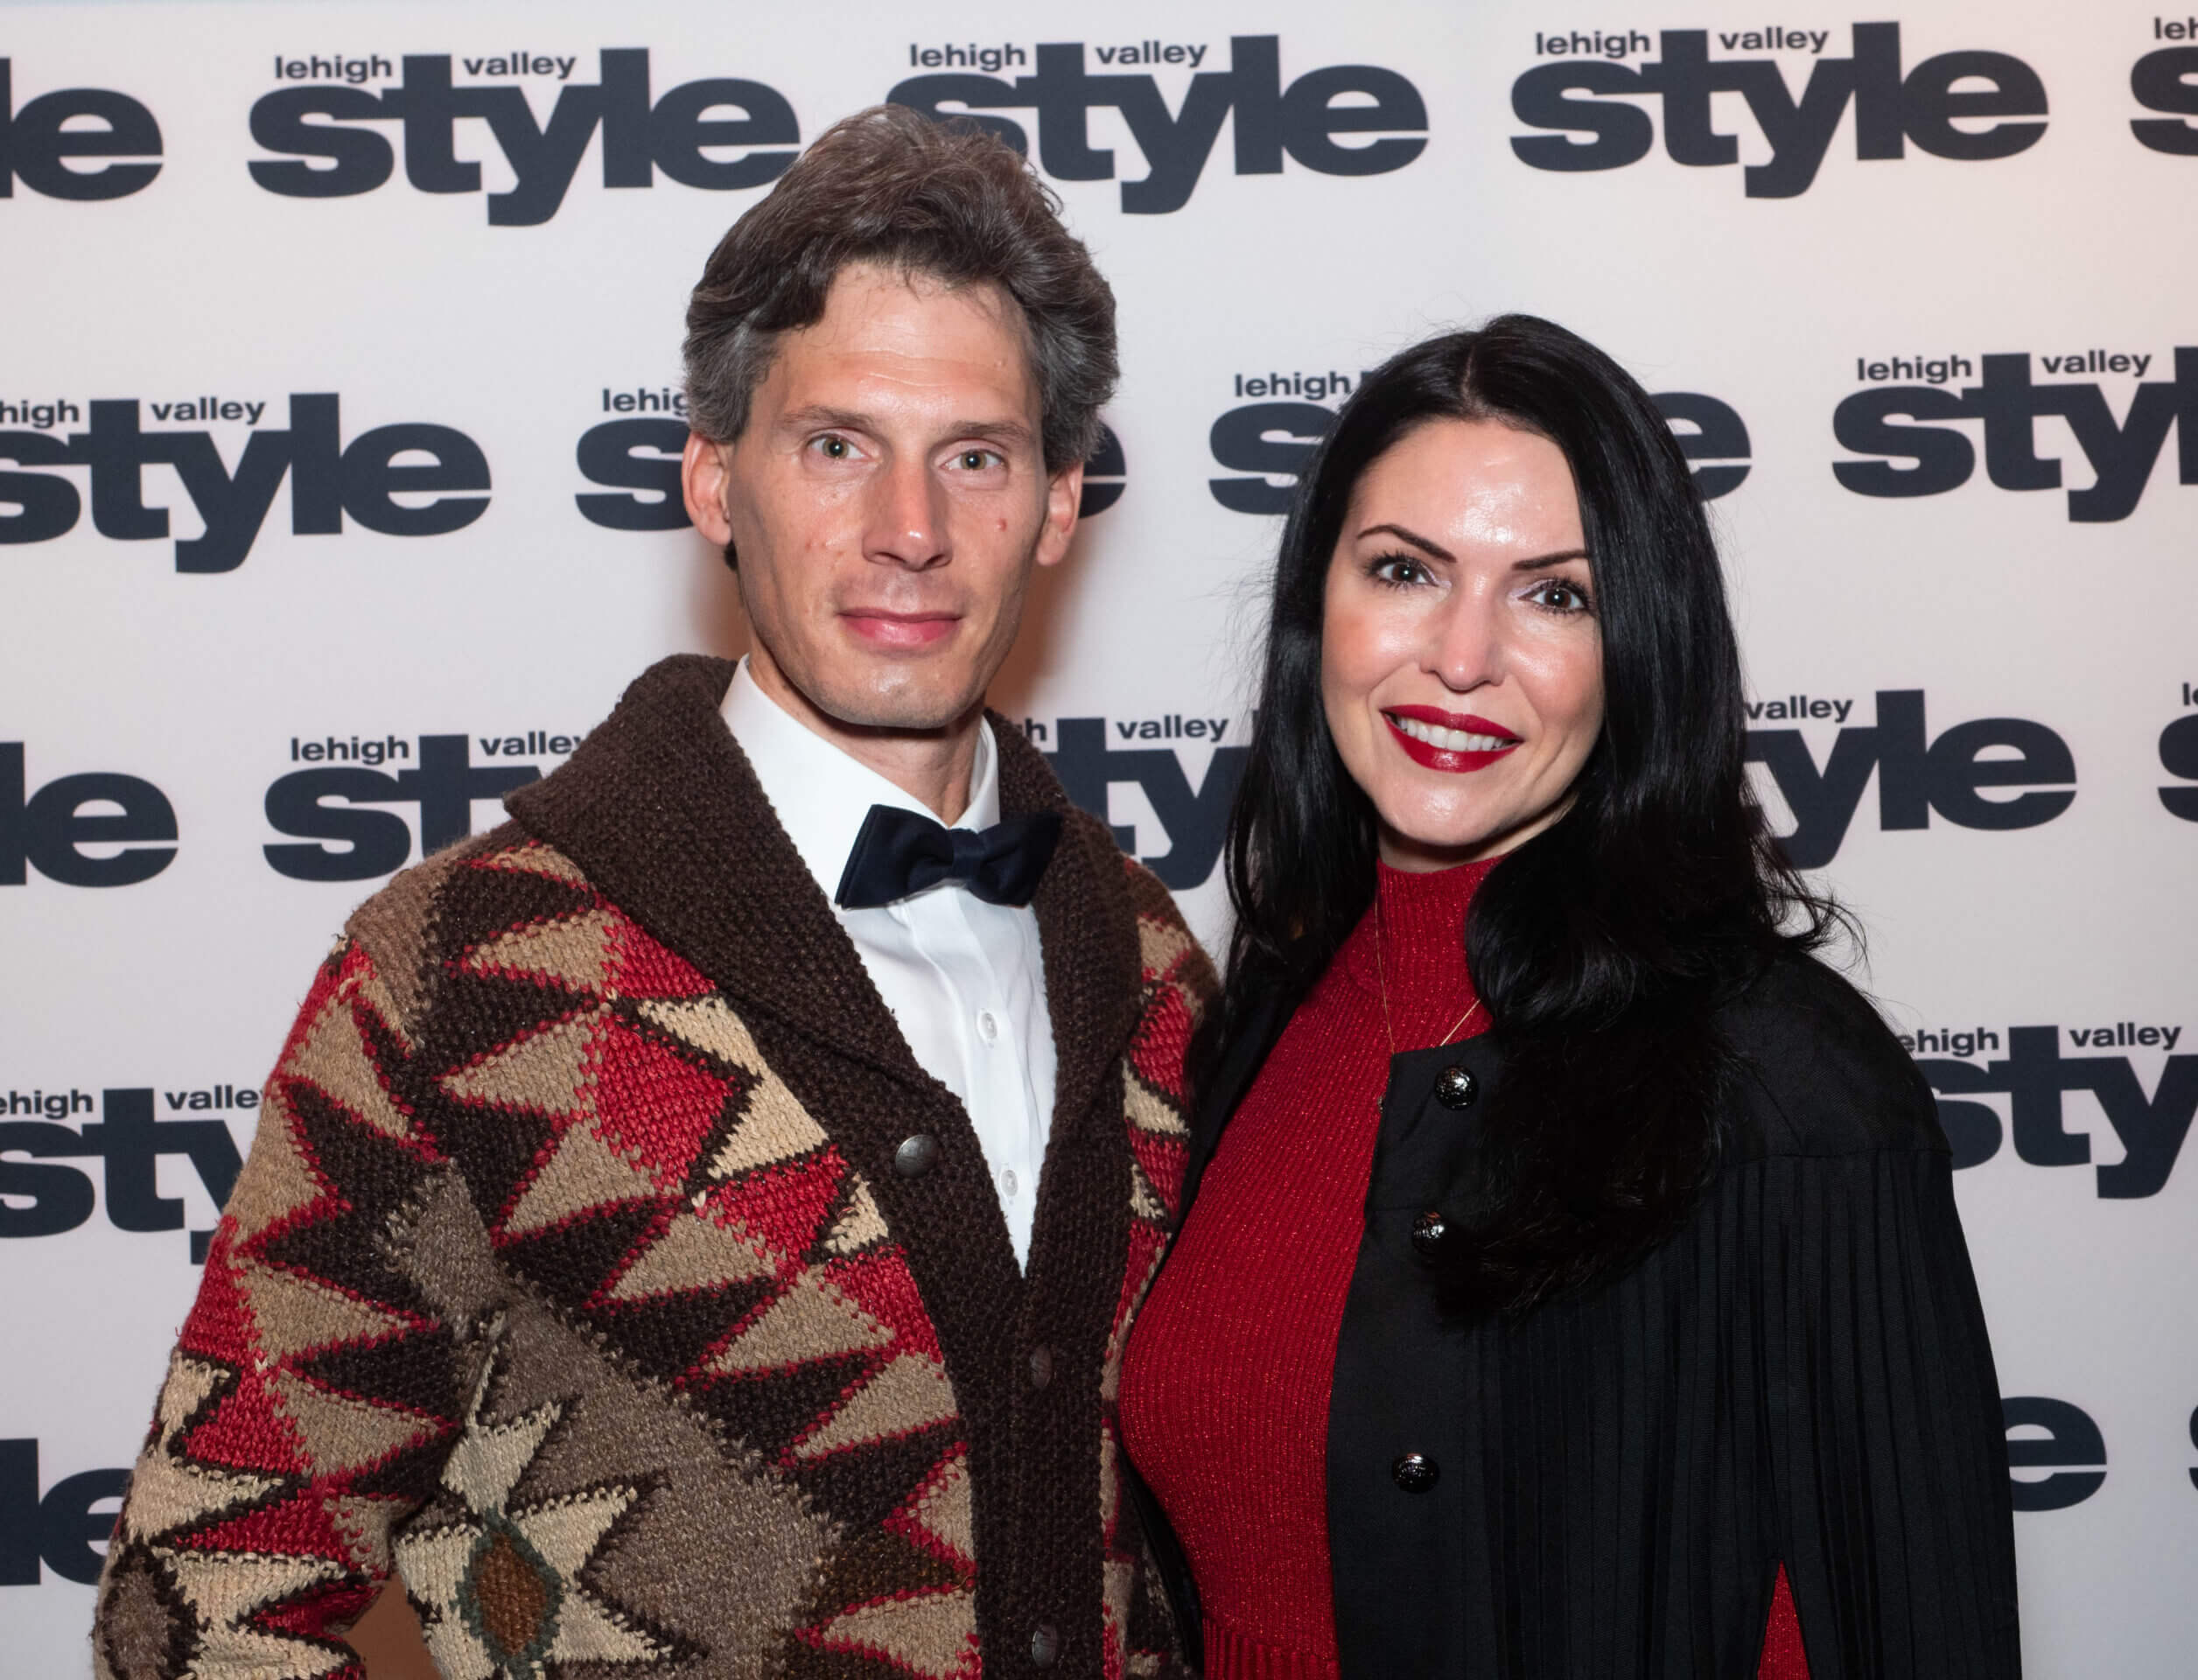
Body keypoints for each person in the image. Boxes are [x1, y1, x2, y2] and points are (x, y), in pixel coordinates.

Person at [91, 107, 1208, 1680]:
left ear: (1058, 507)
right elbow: (204, 1598)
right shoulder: (460, 977)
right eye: (838, 448)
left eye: (978, 457)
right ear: (711, 484)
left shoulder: (1152, 966)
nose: (910, 531)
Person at [1117, 314, 2020, 1678]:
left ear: (1639, 651)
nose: (1463, 657)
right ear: (1321, 611)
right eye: (1406, 571)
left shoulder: (1789, 1087)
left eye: (1555, 594)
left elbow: (1912, 1625)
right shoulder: (1265, 1019)